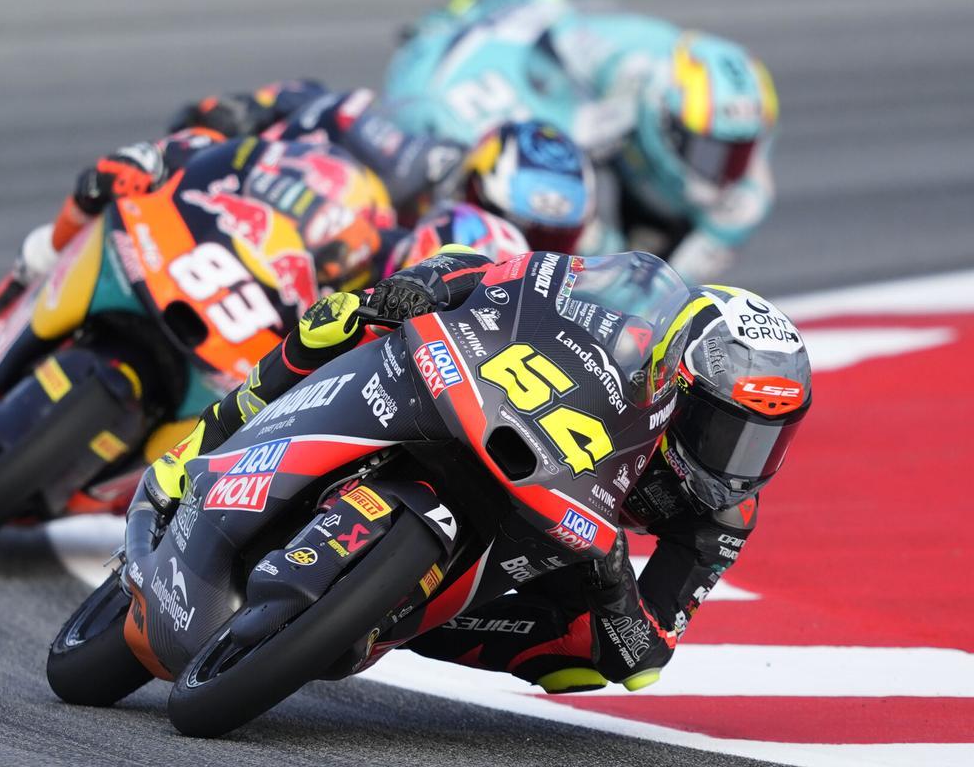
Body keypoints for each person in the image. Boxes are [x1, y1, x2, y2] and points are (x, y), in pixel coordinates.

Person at [130, 247, 812, 692]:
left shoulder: (723, 514)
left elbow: (646, 653)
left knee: (583, 657)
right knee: (340, 319)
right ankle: (203, 446)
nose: (737, 462)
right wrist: (419, 288)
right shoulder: (629, 322)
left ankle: (396, 616)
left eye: (764, 442)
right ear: (674, 382)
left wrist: (610, 579)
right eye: (725, 432)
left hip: (567, 523)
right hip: (504, 412)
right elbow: (510, 275)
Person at [0, 81, 587, 363]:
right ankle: (4, 297)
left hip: (305, 326)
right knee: (139, 166)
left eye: (555, 239)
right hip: (249, 235)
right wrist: (236, 111)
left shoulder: (523, 283)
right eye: (518, 220)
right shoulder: (407, 155)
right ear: (476, 179)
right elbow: (315, 105)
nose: (529, 244)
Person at [383, 0, 780, 283]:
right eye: (712, 154)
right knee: (534, 197)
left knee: (647, 264)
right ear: (665, 123)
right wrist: (594, 249)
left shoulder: (735, 161)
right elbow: (549, 28)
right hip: (487, 77)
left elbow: (674, 283)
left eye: (739, 153)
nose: (727, 172)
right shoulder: (609, 57)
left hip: (602, 107)